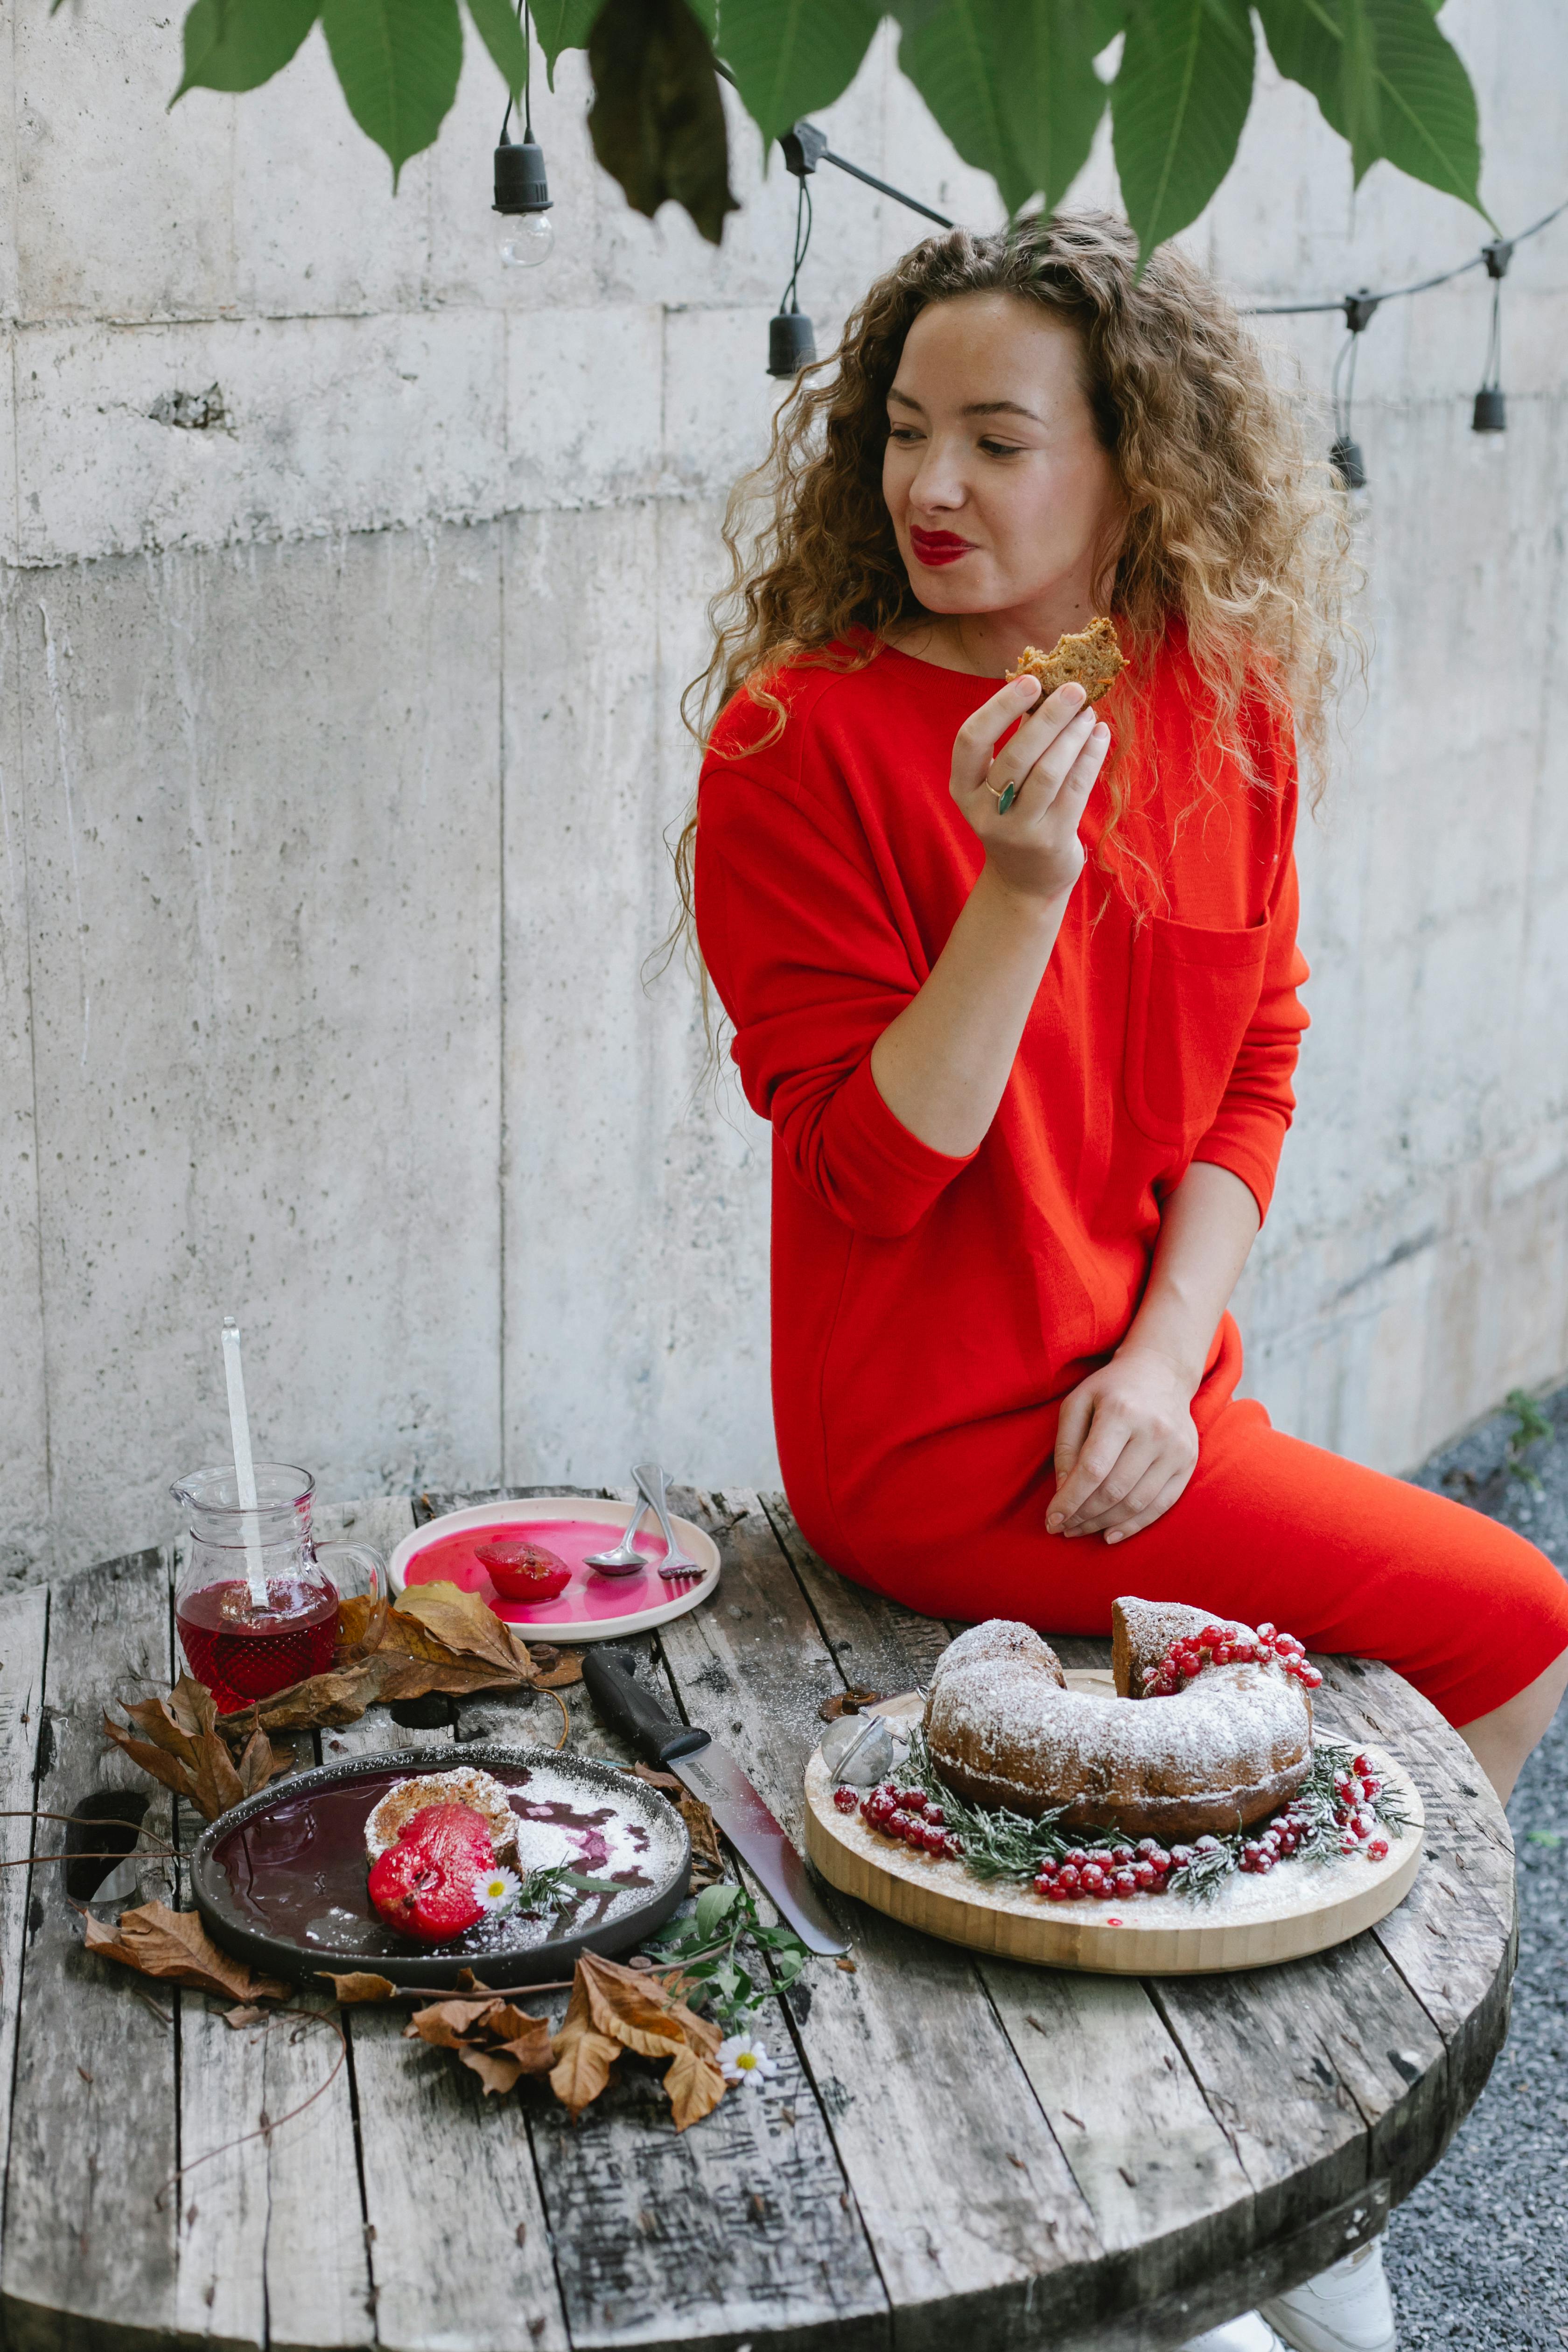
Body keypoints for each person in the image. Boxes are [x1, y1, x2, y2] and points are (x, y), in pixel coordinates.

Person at [685, 214, 1568, 2352]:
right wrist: (1015, 888)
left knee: (1476, 1651)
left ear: (1132, 474)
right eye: (906, 433)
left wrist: (1173, 1354)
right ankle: (1290, 2158)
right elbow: (874, 1176)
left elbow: (1256, 1069)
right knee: (1525, 1616)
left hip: (1152, 1398)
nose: (932, 488)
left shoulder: (1223, 707)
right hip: (935, 1436)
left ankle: (1264, 2144)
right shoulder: (796, 744)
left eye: (1000, 439)